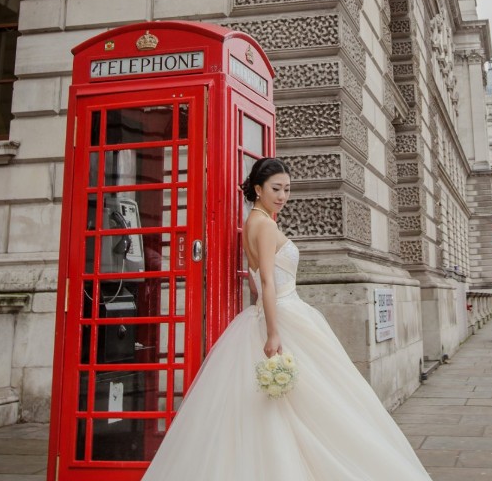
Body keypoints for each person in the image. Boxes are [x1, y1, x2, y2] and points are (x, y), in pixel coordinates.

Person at [142, 157, 432, 480]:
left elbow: (256, 280)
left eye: (287, 189)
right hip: (284, 315)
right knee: (324, 404)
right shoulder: (265, 226)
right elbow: (265, 281)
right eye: (276, 189)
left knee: (295, 406)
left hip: (273, 315)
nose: (283, 196)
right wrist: (274, 332)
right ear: (258, 189)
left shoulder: (254, 221)